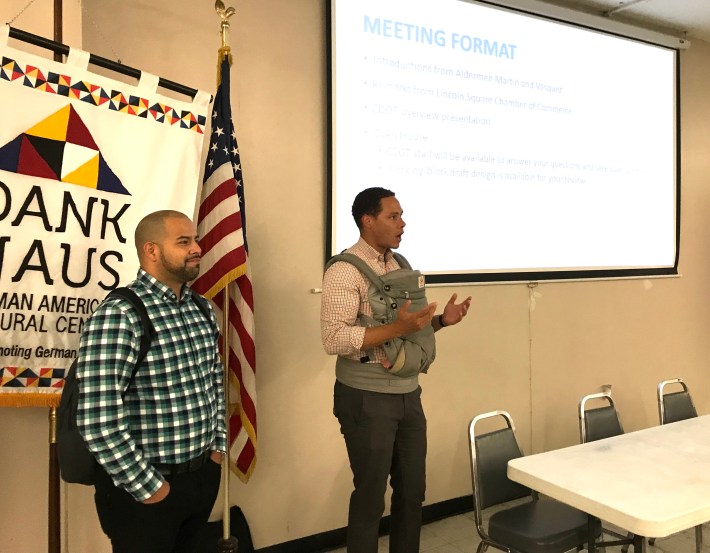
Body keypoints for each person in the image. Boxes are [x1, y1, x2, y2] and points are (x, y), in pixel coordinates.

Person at [321, 187, 471, 553]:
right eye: (393, 216)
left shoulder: (400, 265)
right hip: (365, 397)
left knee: (411, 493)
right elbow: (334, 340)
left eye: (401, 215)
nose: (402, 223)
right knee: (371, 497)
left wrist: (439, 322)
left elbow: (406, 333)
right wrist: (400, 328)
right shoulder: (344, 271)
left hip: (407, 394)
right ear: (367, 221)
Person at [76, 210, 226, 553]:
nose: (197, 249)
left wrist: (216, 451)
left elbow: (214, 383)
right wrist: (149, 487)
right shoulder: (121, 314)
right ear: (152, 251)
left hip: (200, 477)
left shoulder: (200, 310)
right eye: (183, 242)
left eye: (196, 240)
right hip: (144, 491)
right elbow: (98, 419)